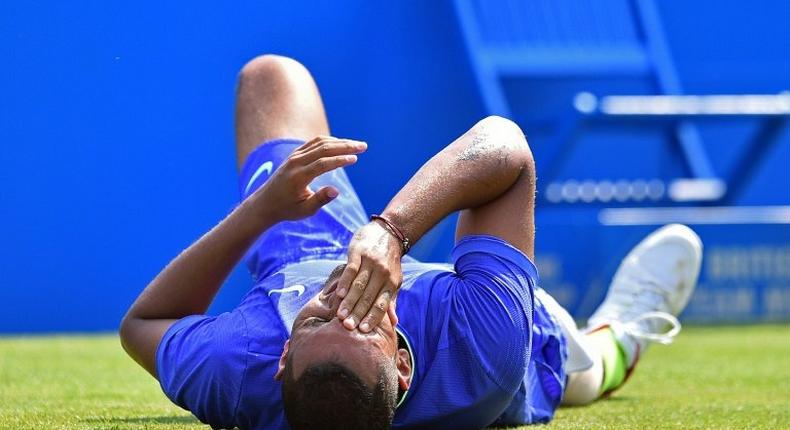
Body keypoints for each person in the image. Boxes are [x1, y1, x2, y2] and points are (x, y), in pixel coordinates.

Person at [119, 54, 703, 430]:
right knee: (580, 364)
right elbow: (504, 148)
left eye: (316, 322)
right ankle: (623, 332)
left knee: (271, 78)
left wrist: (260, 212)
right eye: (363, 325)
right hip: (514, 341)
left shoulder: (236, 365)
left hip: (302, 250)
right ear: (402, 363)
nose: (341, 302)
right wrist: (392, 230)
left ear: (280, 362)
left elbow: (144, 324)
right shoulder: (479, 352)